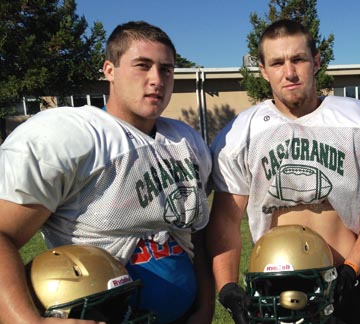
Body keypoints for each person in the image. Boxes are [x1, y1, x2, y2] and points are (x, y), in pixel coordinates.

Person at [0, 21, 214, 324]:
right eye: (142, 65)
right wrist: (25, 322)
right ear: (109, 70)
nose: (156, 79)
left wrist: (204, 307)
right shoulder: (71, 136)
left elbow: (198, 235)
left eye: (166, 69)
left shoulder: (186, 140)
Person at [207, 19, 360, 324]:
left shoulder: (357, 119)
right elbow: (226, 220)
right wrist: (228, 287)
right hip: (273, 284)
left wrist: (353, 266)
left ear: (316, 61)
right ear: (263, 70)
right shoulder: (241, 132)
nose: (290, 72)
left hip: (346, 276)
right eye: (277, 62)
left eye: (298, 59)